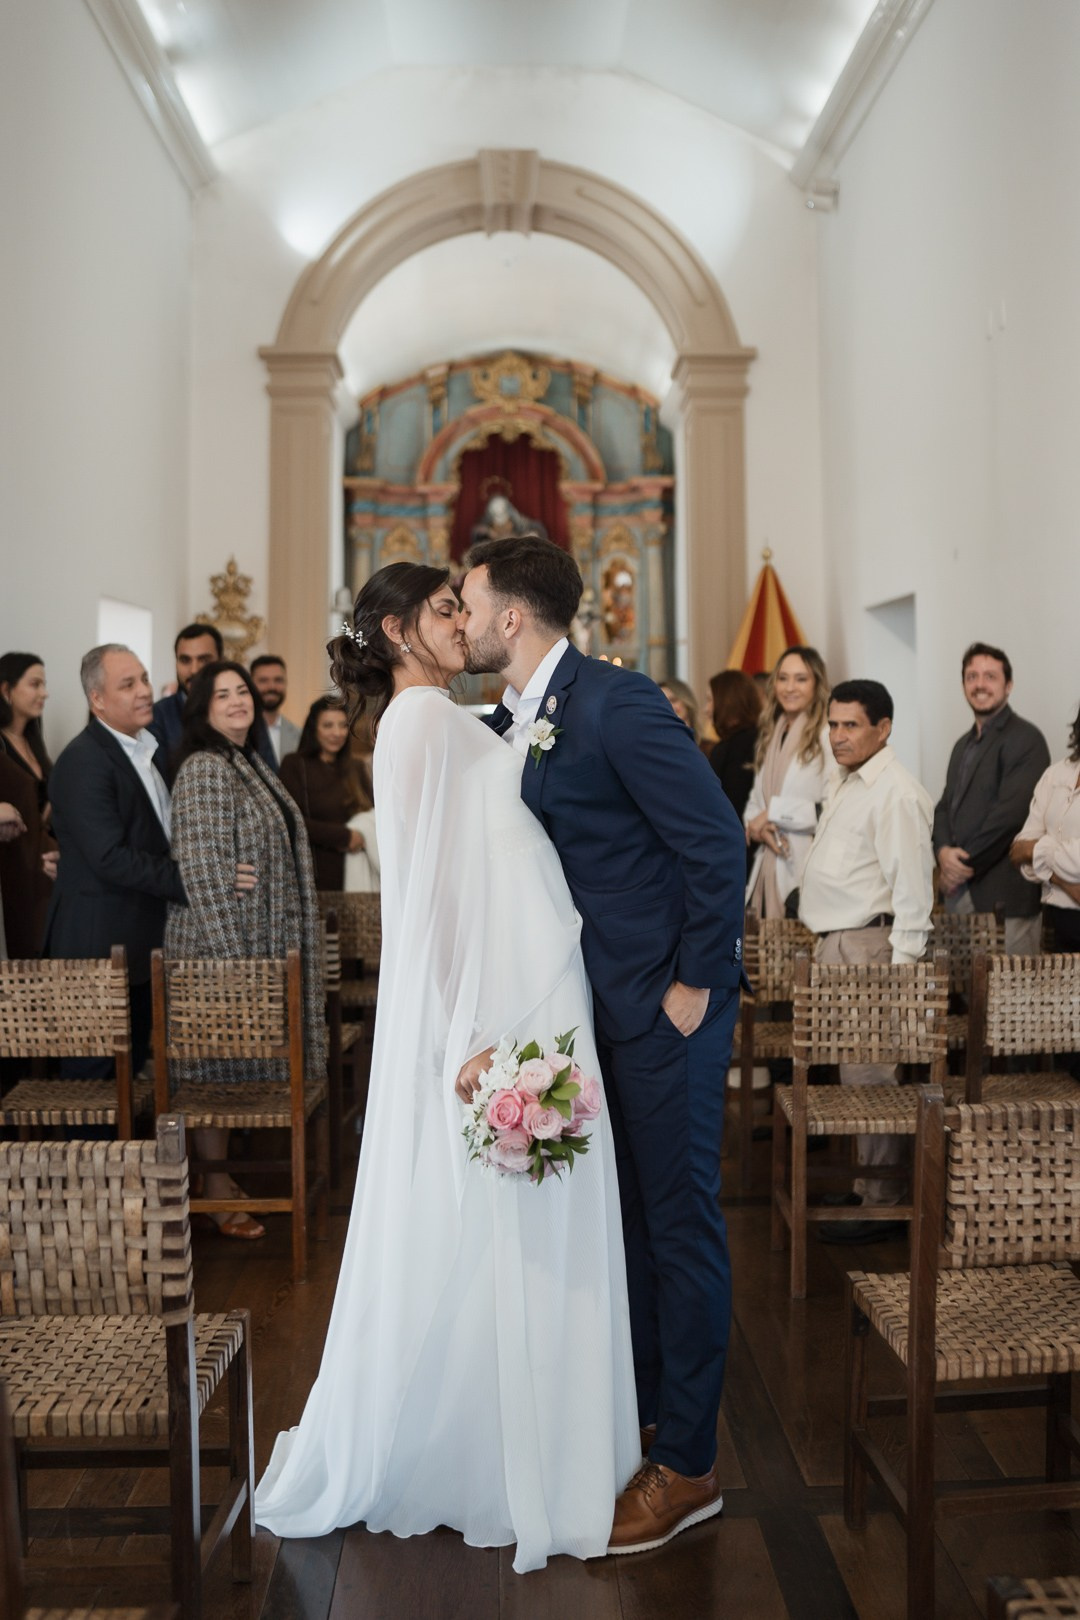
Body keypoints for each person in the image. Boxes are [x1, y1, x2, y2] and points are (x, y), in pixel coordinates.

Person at [254, 563, 638, 1571]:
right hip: (496, 997)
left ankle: (541, 1435)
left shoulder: (452, 715)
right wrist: (465, 1026)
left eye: (464, 606)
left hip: (533, 976)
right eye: (445, 610)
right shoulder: (418, 723)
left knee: (527, 1211)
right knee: (500, 1213)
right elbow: (426, 892)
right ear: (400, 629)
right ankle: (499, 1449)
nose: (463, 622)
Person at [461, 535, 746, 1556]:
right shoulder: (529, 715)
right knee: (631, 1222)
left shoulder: (615, 703)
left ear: (512, 616)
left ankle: (692, 1469)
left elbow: (715, 840)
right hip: (598, 1010)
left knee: (680, 1226)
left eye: (469, 599)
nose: (460, 614)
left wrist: (694, 983)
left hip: (665, 1008)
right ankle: (650, 1422)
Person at [165, 661, 325, 1239]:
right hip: (216, 951)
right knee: (215, 1073)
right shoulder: (205, 768)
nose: (237, 701)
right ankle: (212, 1187)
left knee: (228, 1073)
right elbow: (205, 877)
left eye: (243, 692)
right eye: (222, 694)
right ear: (202, 708)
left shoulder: (248, 760)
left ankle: (221, 1180)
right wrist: (239, 971)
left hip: (250, 942)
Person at [798, 679, 934, 1243]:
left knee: (872, 1075)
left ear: (884, 728)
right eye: (832, 724)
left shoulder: (895, 791)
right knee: (853, 1074)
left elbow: (913, 893)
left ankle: (884, 1200)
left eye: (850, 725)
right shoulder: (850, 780)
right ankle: (865, 1184)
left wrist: (900, 978)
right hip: (839, 942)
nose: (837, 735)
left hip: (870, 948)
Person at [44, 646, 189, 1073]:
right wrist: (193, 880)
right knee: (96, 1087)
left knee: (133, 1082)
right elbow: (110, 856)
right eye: (128, 684)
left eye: (144, 679)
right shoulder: (84, 760)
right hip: (96, 949)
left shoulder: (145, 749)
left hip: (137, 943)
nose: (144, 691)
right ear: (98, 700)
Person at [933, 642, 1049, 954]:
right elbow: (945, 806)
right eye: (972, 676)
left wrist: (960, 866)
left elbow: (1010, 816)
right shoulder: (962, 744)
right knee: (968, 995)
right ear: (963, 685)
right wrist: (943, 852)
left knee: (1012, 998)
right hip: (960, 894)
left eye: (990, 676)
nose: (980, 684)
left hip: (1005, 898)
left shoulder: (1026, 739)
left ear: (1008, 686)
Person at [745, 645, 832, 920]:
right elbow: (754, 802)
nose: (789, 687)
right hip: (767, 863)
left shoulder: (828, 734)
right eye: (783, 678)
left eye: (801, 679)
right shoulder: (772, 732)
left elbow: (832, 806)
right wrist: (757, 827)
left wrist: (772, 814)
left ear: (817, 684)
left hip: (804, 864)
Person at [279, 697, 372, 890]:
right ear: (314, 728)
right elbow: (291, 821)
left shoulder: (356, 767)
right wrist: (345, 837)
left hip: (359, 876)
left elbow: (374, 816)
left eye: (343, 725)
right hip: (315, 876)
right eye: (328, 725)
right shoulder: (295, 765)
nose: (337, 733)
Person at [1010, 696, 1080, 952]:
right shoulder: (1055, 775)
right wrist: (1066, 883)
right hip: (1055, 923)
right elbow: (1018, 851)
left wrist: (1038, 849)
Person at [0, 653, 56, 956]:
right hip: (14, 875)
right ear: (6, 690)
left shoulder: (34, 744)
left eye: (44, 684)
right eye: (35, 684)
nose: (44, 693)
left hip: (44, 873)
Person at [707, 669, 764, 822]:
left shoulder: (729, 749)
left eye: (710, 700)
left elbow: (723, 806)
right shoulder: (764, 738)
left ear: (726, 701)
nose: (706, 709)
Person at [250, 654, 301, 766]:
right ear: (250, 684)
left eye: (278, 680)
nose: (272, 687)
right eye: (263, 680)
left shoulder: (299, 736)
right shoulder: (239, 732)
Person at [658, 677, 712, 756]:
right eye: (663, 702)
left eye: (673, 700)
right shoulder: (657, 751)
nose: (668, 706)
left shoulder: (710, 749)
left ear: (686, 702)